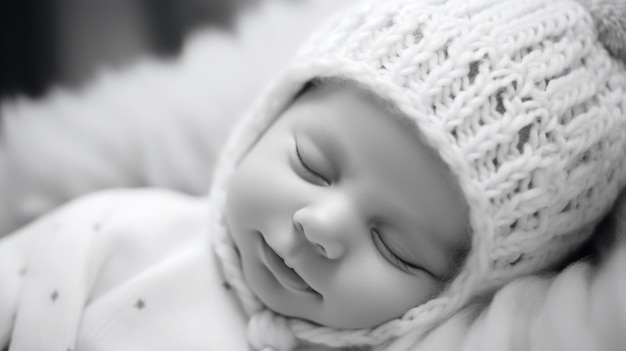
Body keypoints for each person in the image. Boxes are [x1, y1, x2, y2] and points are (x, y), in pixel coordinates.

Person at [1, 0, 626, 350]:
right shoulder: (124, 231)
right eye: (311, 164)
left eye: (396, 249)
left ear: (451, 296)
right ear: (269, 115)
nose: (320, 225)